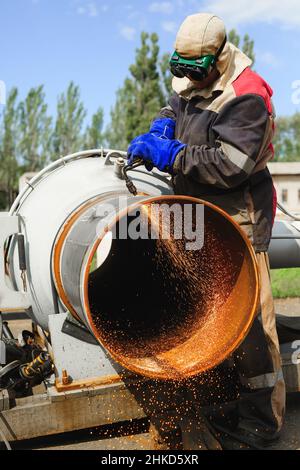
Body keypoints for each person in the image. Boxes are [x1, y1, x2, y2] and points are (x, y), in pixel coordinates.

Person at [127, 12, 285, 449]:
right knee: (210, 315)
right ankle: (226, 401)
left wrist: (172, 154)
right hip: (198, 217)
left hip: (238, 217)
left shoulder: (247, 96)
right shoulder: (194, 77)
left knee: (250, 323)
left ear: (218, 57)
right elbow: (177, 101)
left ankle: (261, 421)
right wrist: (163, 123)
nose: (187, 82)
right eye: (181, 70)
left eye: (196, 72)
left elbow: (230, 167)